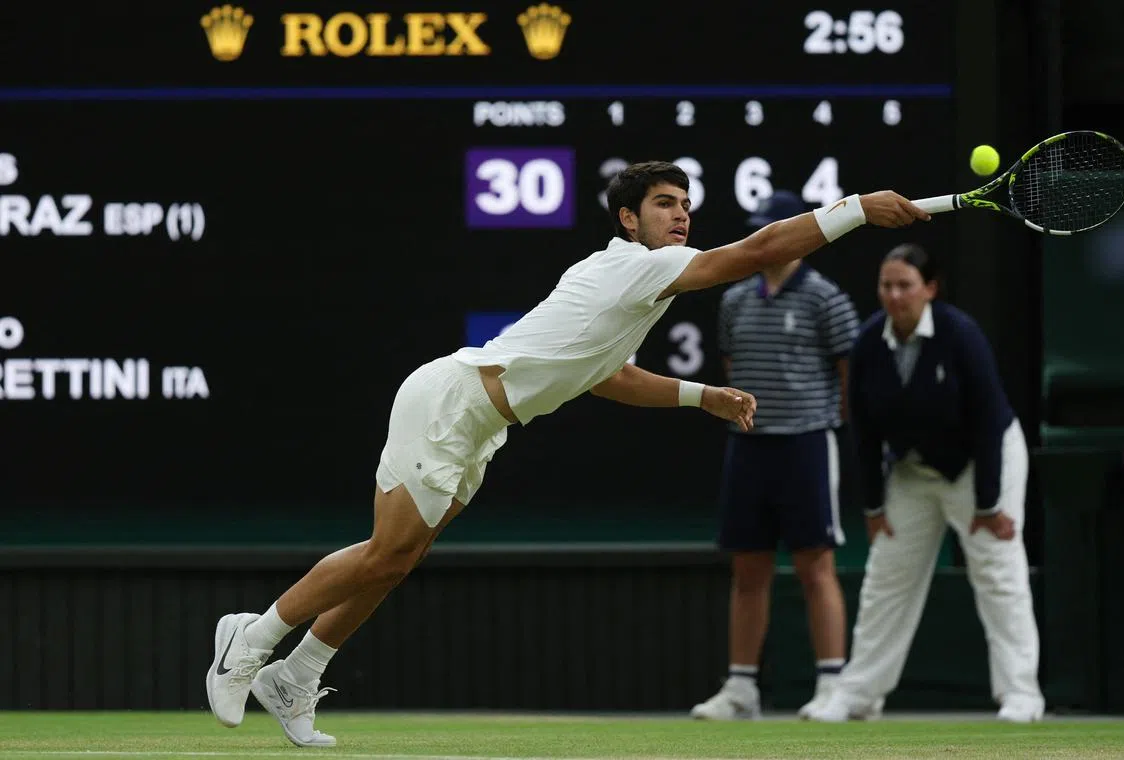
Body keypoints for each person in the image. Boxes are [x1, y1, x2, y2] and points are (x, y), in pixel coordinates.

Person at [205, 162, 929, 746]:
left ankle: (299, 674)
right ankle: (252, 638)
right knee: (384, 553)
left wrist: (699, 396)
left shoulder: (632, 281)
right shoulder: (636, 269)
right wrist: (857, 208)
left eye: (686, 204)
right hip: (449, 403)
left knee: (395, 561)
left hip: (480, 425)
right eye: (665, 204)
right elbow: (760, 252)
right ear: (628, 218)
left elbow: (606, 376)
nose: (681, 215)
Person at [806, 243, 1045, 723]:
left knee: (998, 572)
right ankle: (859, 694)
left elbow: (986, 421)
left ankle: (1021, 694)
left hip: (983, 463)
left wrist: (989, 505)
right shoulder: (869, 343)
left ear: (930, 289)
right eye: (886, 286)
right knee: (885, 579)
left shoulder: (961, 336)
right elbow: (865, 434)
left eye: (905, 286)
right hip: (913, 473)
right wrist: (873, 509)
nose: (894, 296)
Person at [691, 190, 861, 721]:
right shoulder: (735, 299)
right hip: (748, 448)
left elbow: (848, 374)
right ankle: (742, 688)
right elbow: (731, 365)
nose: (766, 241)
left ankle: (833, 682)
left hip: (807, 444)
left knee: (816, 565)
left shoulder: (826, 298)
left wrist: (827, 423)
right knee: (748, 569)